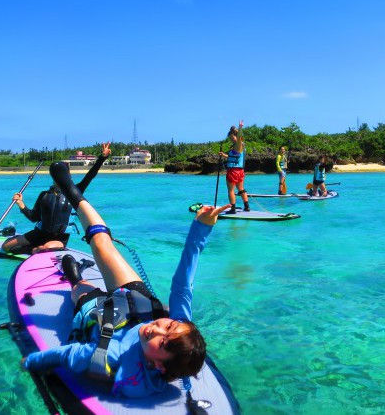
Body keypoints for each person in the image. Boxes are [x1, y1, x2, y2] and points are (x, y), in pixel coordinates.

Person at [21, 161, 231, 398]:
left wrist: (30, 361)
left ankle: (73, 275)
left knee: (79, 289)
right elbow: (183, 283)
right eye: (169, 327)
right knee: (101, 241)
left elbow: (66, 354)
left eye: (162, 344)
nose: (157, 330)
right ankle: (70, 191)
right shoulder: (180, 328)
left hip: (99, 313)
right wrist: (201, 229)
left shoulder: (112, 354)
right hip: (133, 298)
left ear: (159, 367)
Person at [2, 143, 111, 254]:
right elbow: (34, 217)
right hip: (39, 234)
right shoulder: (44, 195)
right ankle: (33, 249)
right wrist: (20, 203)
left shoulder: (75, 192)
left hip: (59, 238)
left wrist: (102, 158)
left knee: (45, 248)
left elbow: (90, 175)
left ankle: (34, 249)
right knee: (6, 246)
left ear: (68, 176)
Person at [218, 120, 249, 214]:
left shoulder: (239, 144)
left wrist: (240, 127)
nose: (231, 140)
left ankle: (233, 209)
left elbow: (239, 137)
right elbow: (235, 157)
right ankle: (247, 207)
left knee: (230, 190)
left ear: (235, 136)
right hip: (240, 171)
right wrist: (224, 155)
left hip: (233, 171)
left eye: (232, 138)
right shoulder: (238, 147)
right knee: (241, 189)